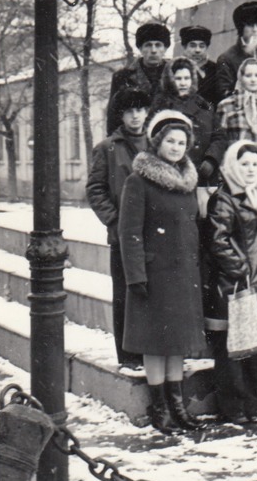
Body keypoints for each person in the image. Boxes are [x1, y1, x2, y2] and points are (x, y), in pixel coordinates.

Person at [118, 111, 206, 433]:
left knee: (176, 344)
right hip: (154, 275)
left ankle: (177, 405)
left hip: (182, 274)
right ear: (157, 142)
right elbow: (129, 232)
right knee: (155, 344)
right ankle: (160, 408)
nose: (176, 147)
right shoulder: (138, 181)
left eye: (182, 142)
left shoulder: (187, 184)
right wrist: (136, 275)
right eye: (170, 140)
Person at [201, 141, 257, 423]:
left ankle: (251, 404)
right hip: (234, 284)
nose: (250, 169)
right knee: (232, 350)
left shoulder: (254, 195)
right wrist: (240, 269)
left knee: (252, 346)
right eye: (244, 164)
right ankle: (234, 407)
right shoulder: (224, 198)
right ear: (233, 167)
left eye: (255, 164)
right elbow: (218, 240)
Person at [86, 87, 150, 370]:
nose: (135, 116)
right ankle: (128, 355)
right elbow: (95, 189)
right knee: (125, 292)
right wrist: (115, 220)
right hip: (123, 236)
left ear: (147, 113)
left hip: (154, 234)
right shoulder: (108, 148)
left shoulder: (156, 143)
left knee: (152, 292)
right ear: (121, 115)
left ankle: (152, 349)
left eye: (140, 110)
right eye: (129, 111)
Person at [151, 57, 226, 186]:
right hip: (173, 172)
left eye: (187, 78)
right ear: (170, 79)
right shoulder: (160, 105)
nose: (183, 83)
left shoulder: (204, 104)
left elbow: (219, 136)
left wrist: (211, 159)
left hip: (204, 174)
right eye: (178, 78)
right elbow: (152, 138)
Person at [216, 57, 257, 183]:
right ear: (241, 77)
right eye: (248, 75)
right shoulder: (227, 106)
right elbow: (220, 141)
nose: (253, 79)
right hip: (238, 172)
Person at [106, 22, 171, 133]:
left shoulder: (176, 75)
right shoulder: (122, 77)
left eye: (158, 45)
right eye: (148, 45)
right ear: (140, 48)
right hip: (134, 139)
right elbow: (114, 117)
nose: (153, 50)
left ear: (165, 48)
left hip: (167, 138)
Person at [213, 1, 257, 105]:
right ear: (241, 27)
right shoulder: (227, 59)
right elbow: (223, 93)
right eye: (250, 25)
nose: (255, 29)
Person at [179, 25, 216, 106]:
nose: (197, 50)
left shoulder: (215, 69)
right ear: (184, 47)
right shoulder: (176, 67)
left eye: (202, 46)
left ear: (206, 47)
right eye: (192, 45)